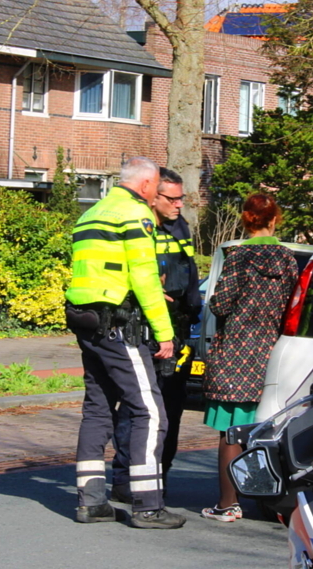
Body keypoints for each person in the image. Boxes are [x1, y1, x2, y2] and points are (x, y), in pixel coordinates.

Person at [64, 156, 186, 530]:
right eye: (156, 186)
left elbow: (98, 270)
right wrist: (164, 332)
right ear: (147, 184)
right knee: (150, 411)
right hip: (120, 325)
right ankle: (148, 506)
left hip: (88, 321)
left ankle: (91, 502)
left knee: (97, 409)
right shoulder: (135, 215)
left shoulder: (91, 214)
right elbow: (144, 277)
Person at [200, 193, 298, 522]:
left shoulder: (239, 257)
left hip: (236, 351)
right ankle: (268, 500)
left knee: (231, 430)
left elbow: (220, 305)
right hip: (272, 351)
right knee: (265, 428)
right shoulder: (288, 259)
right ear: (275, 219)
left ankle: (227, 505)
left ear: (245, 219)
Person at [111, 167, 201, 503]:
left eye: (181, 198)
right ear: (153, 196)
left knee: (171, 408)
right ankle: (126, 478)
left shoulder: (180, 227)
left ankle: (158, 476)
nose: (179, 205)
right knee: (137, 406)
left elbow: (189, 275)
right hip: (141, 328)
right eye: (172, 199)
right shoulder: (136, 225)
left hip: (177, 330)